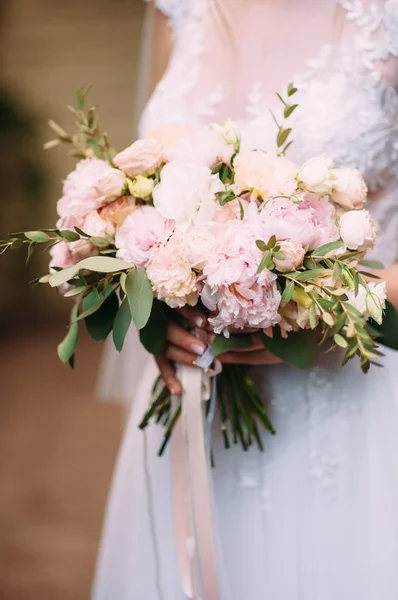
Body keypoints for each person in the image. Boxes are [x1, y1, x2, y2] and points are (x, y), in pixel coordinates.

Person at [93, 1, 398, 598]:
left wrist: (337, 305)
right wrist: (160, 309)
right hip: (194, 394)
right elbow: (142, 190)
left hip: (354, 387)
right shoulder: (176, 7)